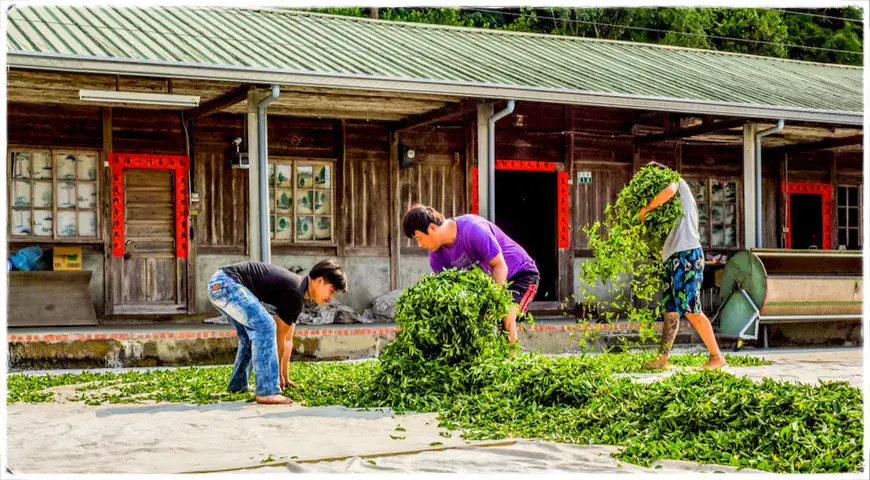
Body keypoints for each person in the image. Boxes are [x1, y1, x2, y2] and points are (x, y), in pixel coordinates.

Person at [207, 259, 347, 404]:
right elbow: (278, 339)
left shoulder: (297, 295)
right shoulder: (294, 291)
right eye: (331, 291)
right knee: (266, 326)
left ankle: (238, 386)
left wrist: (284, 377)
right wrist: (276, 377)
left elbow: (287, 340)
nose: (330, 298)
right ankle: (267, 391)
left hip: (220, 285)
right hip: (226, 283)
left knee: (250, 336)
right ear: (319, 281)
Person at [402, 204, 539, 346]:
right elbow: (449, 288)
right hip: (489, 283)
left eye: (419, 238)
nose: (419, 245)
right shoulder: (436, 256)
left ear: (432, 228)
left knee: (505, 317)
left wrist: (489, 305)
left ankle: (509, 365)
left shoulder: (473, 229)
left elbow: (500, 266)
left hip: (519, 274)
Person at [637, 162, 726, 370]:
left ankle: (716, 356)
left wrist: (647, 208)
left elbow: (669, 189)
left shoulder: (674, 180)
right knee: (671, 311)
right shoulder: (671, 203)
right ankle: (662, 359)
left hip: (687, 254)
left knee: (692, 309)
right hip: (672, 256)